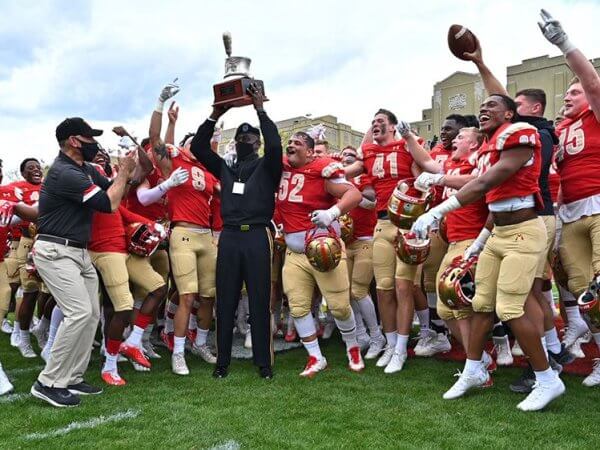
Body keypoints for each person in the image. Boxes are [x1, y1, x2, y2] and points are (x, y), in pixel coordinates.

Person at [411, 93, 565, 412]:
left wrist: (437, 211)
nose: (484, 110)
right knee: (481, 304)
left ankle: (548, 378)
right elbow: (494, 205)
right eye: (481, 106)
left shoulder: (520, 134)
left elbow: (484, 184)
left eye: (492, 105)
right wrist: (479, 245)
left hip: (524, 231)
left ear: (509, 114)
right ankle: (473, 370)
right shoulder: (488, 148)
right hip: (499, 232)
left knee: (509, 307)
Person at [30, 117, 136, 408]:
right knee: (78, 312)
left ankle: (72, 377)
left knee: (90, 315)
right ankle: (48, 382)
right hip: (55, 250)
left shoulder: (85, 168)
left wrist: (128, 169)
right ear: (74, 141)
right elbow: (108, 203)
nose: (95, 144)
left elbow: (119, 186)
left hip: (78, 251)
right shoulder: (65, 172)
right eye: (90, 138)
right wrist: (123, 173)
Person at [189, 82, 282, 379]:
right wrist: (215, 114)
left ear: (257, 142)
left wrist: (260, 110)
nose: (244, 140)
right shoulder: (227, 169)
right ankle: (222, 362)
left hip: (256, 235)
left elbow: (276, 145)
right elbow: (198, 148)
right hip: (229, 236)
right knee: (225, 298)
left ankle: (264, 363)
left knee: (258, 298)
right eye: (241, 137)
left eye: (250, 137)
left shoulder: (268, 166)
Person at [538, 9, 600, 386]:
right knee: (581, 291)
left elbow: (592, 83)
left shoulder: (595, 114)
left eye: (573, 91)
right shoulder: (561, 129)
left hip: (599, 203)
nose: (569, 96)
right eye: (568, 92)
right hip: (570, 213)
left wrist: (564, 44)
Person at [276, 131, 363, 377]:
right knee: (298, 306)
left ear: (310, 152)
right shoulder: (281, 165)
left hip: (323, 248)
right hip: (294, 253)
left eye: (298, 143)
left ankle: (352, 347)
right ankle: (315, 356)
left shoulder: (321, 169)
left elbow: (353, 194)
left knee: (339, 306)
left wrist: (331, 213)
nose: (291, 146)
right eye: (289, 142)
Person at [149, 85, 218, 376]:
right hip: (184, 233)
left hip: (207, 235)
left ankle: (199, 343)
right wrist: (162, 107)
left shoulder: (210, 170)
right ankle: (178, 351)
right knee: (187, 295)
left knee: (209, 296)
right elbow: (156, 142)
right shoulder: (176, 161)